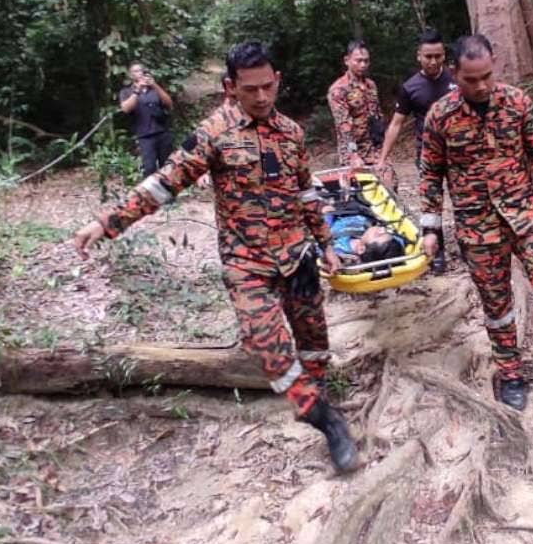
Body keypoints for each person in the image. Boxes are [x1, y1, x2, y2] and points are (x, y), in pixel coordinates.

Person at [74, 41, 360, 472]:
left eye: (268, 87)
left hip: (297, 256)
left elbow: (306, 192)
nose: (262, 97)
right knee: (272, 353)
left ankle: (320, 398)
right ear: (230, 87)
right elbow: (164, 183)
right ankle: (323, 420)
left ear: (277, 81)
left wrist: (326, 243)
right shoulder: (214, 133)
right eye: (250, 89)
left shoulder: (292, 133)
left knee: (314, 344)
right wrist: (109, 221)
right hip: (247, 265)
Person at [419, 34, 533, 411]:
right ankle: (509, 371)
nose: (480, 86)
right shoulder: (440, 116)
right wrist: (430, 229)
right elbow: (430, 173)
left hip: (526, 214)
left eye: (487, 77)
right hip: (477, 225)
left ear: (494, 66)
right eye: (470, 80)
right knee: (497, 304)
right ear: (454, 73)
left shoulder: (517, 102)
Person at [376, 28, 456, 274]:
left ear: (444, 55)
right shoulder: (410, 87)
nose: (433, 61)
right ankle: (437, 251)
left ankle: (469, 243)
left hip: (457, 151)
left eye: (438, 56)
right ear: (418, 56)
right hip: (427, 154)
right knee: (431, 202)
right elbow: (396, 123)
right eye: (428, 56)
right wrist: (382, 158)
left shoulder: (457, 79)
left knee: (462, 199)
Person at [327, 40, 384, 168]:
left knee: (389, 184)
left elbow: (377, 116)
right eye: (358, 61)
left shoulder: (371, 85)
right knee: (361, 186)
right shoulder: (339, 89)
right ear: (347, 60)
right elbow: (343, 125)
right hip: (353, 152)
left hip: (374, 149)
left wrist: (382, 148)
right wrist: (353, 155)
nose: (363, 65)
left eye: (366, 61)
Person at [119, 62, 175, 176]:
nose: (139, 73)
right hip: (145, 135)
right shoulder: (126, 92)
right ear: (130, 75)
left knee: (167, 166)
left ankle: (168, 192)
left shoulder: (154, 89)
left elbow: (169, 103)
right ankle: (150, 192)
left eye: (141, 70)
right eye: (135, 71)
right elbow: (126, 109)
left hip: (162, 132)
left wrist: (154, 85)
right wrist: (137, 91)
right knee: (149, 167)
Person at [323, 206, 406, 264]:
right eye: (385, 232)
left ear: (361, 249)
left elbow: (323, 249)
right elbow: (398, 242)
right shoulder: (368, 239)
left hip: (334, 217)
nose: (382, 229)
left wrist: (328, 215)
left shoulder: (339, 248)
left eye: (378, 234)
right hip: (355, 211)